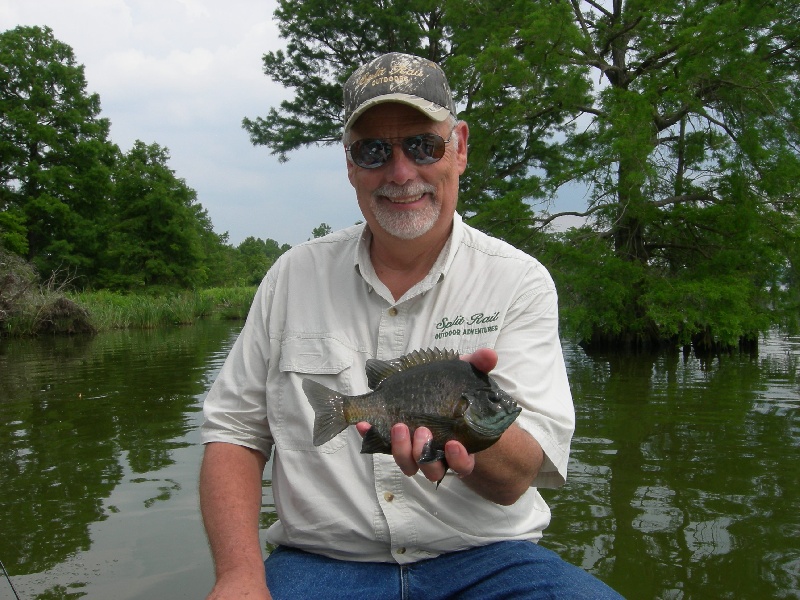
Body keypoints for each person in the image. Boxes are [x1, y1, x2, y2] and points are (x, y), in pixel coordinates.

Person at [199, 52, 623, 600]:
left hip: (488, 561)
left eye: (424, 145)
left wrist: (461, 423)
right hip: (323, 564)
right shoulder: (291, 276)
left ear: (460, 147)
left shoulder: (520, 281)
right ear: (350, 165)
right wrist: (238, 576)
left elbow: (518, 478)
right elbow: (232, 433)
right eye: (374, 151)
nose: (401, 173)